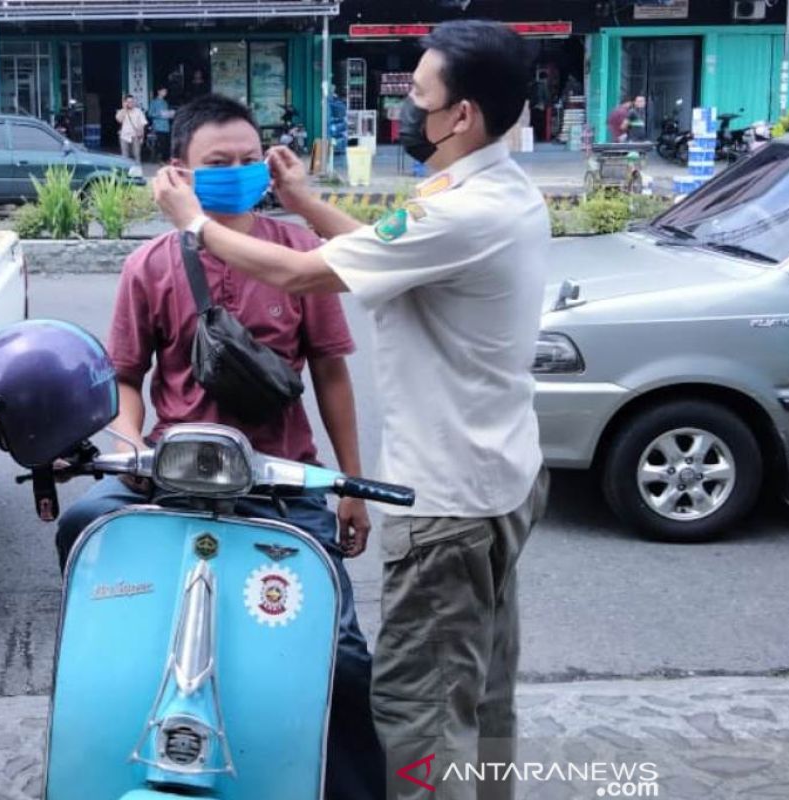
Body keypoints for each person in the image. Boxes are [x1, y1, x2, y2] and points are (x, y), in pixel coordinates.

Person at [151, 21, 549, 799]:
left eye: (421, 97)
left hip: (448, 503)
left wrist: (195, 225)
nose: (408, 110)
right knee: (481, 692)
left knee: (419, 710)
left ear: (461, 115)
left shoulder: (464, 212)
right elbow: (383, 247)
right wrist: (300, 196)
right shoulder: (494, 191)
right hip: (502, 479)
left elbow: (304, 277)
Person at [57, 93, 384, 800]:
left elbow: (330, 369)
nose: (236, 172)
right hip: (169, 478)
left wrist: (351, 484)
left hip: (282, 484)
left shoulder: (300, 254)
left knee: (346, 660)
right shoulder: (149, 264)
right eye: (218, 163)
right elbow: (124, 377)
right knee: (83, 529)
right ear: (180, 172)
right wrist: (125, 445)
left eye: (247, 160)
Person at [115, 94, 148, 164]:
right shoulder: (121, 111)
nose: (131, 103)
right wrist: (124, 109)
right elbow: (119, 120)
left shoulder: (138, 111)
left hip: (135, 136)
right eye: (129, 102)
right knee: (125, 155)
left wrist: (142, 137)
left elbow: (142, 124)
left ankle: (138, 170)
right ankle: (126, 171)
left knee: (136, 155)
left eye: (132, 102)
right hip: (124, 136)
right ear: (125, 102)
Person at [148, 86, 173, 162]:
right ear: (159, 92)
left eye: (166, 92)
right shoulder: (154, 102)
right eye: (163, 91)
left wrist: (170, 114)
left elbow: (167, 114)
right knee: (161, 143)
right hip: (158, 126)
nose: (165, 93)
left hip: (166, 126)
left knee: (167, 143)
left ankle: (166, 159)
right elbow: (150, 113)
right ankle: (160, 159)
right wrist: (160, 114)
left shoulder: (165, 102)